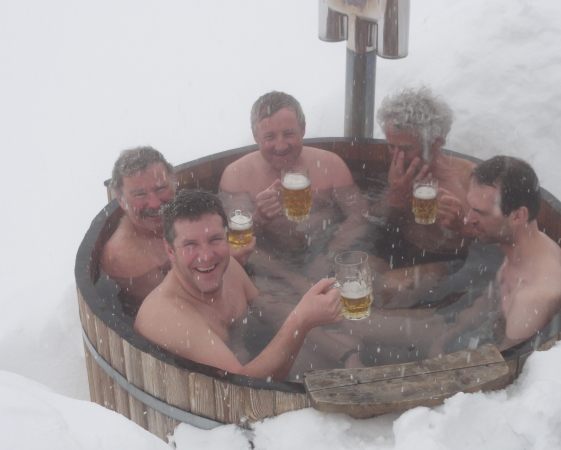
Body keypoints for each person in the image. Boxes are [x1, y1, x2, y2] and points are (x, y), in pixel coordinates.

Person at [134, 189, 362, 381]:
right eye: (190, 245)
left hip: (247, 366)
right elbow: (241, 389)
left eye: (215, 239)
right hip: (217, 403)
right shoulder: (166, 315)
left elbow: (272, 312)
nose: (206, 256)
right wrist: (301, 320)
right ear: (170, 250)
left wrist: (346, 354)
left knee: (350, 342)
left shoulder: (228, 268)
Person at [219, 91, 369, 299]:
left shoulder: (330, 165)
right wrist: (259, 220)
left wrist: (330, 255)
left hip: (327, 251)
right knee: (254, 299)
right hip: (273, 269)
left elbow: (361, 215)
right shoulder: (238, 175)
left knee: (374, 280)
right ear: (255, 136)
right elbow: (234, 245)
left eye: (288, 134)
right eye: (270, 137)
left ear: (303, 129)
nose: (281, 146)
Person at [428, 156, 561, 355]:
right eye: (471, 207)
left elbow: (505, 367)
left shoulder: (532, 298)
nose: (468, 218)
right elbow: (490, 298)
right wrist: (447, 337)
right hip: (487, 330)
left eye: (480, 212)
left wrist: (440, 360)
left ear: (517, 216)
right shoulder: (523, 246)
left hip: (493, 348)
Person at [372, 87, 480, 307]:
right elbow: (374, 223)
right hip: (401, 248)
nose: (397, 155)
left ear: (435, 143)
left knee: (389, 286)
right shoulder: (399, 170)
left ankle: (426, 321)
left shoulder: (468, 180)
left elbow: (497, 239)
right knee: (350, 268)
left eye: (406, 148)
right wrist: (394, 198)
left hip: (448, 261)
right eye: (391, 146)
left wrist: (462, 226)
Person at [100, 146, 176, 304]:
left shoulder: (181, 215)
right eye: (140, 194)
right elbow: (173, 306)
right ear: (121, 200)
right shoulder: (126, 255)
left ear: (174, 184)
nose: (155, 203)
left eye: (161, 188)